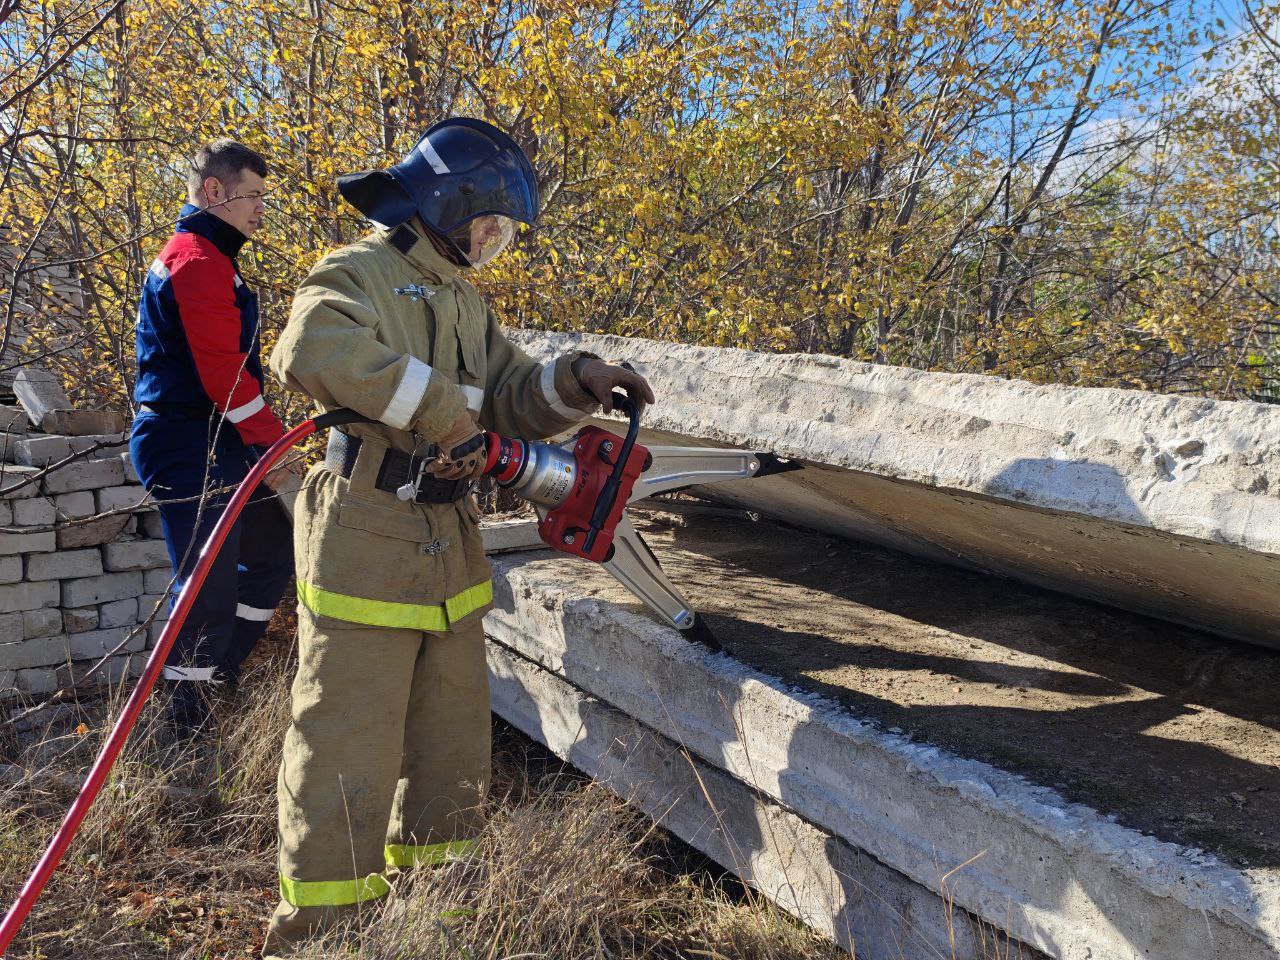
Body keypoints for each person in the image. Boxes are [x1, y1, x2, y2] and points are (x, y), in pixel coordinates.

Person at [263, 116, 653, 955]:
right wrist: (442, 414)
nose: (493, 242)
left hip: (447, 544)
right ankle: (321, 935)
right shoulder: (358, 272)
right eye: (490, 224)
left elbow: (509, 394)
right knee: (346, 747)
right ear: (447, 202)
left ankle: (436, 919)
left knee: (450, 750)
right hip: (367, 538)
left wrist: (578, 379)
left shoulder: (463, 300)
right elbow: (310, 345)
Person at [130, 139, 302, 735]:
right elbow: (227, 380)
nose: (260, 209)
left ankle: (217, 678)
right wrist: (277, 453)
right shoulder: (196, 261)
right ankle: (183, 726)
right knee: (206, 586)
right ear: (213, 192)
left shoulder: (211, 257)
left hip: (215, 440)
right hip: (187, 443)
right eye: (252, 196)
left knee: (272, 553)